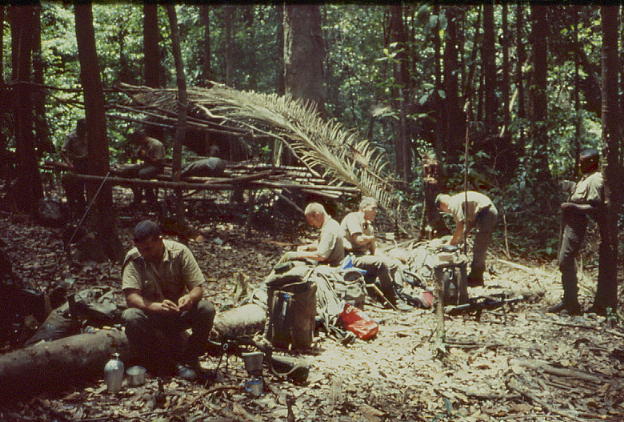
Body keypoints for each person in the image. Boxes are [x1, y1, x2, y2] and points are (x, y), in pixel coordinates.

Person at [121, 220, 215, 380]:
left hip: (178, 313)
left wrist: (189, 298)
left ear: (160, 239)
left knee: (206, 309)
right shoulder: (133, 257)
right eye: (141, 249)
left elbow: (198, 288)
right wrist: (155, 307)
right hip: (151, 316)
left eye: (149, 248)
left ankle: (191, 357)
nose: (144, 253)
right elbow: (131, 297)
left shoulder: (180, 252)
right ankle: (155, 364)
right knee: (130, 316)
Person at [549, 148, 610, 315]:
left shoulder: (596, 180)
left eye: (582, 161)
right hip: (569, 222)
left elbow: (595, 207)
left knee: (565, 260)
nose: (579, 164)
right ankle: (569, 300)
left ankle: (571, 304)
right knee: (563, 260)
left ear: (592, 162)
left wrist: (572, 207)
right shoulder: (586, 178)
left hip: (577, 224)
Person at [341, 197, 411, 311]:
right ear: (364, 208)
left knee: (393, 264)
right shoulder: (352, 218)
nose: (376, 212)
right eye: (373, 208)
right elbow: (358, 239)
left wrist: (389, 259)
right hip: (349, 257)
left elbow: (375, 250)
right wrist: (371, 239)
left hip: (363, 256)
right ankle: (393, 300)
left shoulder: (369, 227)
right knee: (380, 263)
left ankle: (398, 293)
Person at [435, 191, 498, 286]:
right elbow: (468, 223)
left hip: (487, 212)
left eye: (443, 210)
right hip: (484, 212)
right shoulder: (458, 199)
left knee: (479, 247)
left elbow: (460, 225)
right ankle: (474, 276)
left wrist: (451, 243)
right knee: (479, 246)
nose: (446, 212)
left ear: (442, 205)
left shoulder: (453, 203)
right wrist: (462, 237)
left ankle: (476, 279)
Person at [281, 202, 345, 267]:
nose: (312, 225)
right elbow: (324, 244)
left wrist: (298, 254)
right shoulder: (331, 224)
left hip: (331, 267)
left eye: (311, 221)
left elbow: (321, 256)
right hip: (326, 263)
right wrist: (307, 247)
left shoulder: (329, 229)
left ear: (317, 215)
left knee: (288, 260)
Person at [119, 131, 166, 205]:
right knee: (126, 171)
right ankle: (137, 194)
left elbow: (158, 161)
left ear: (142, 138)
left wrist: (146, 156)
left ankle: (150, 195)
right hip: (146, 165)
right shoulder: (142, 144)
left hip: (157, 167)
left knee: (143, 173)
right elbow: (138, 156)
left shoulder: (156, 144)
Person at [61, 119, 89, 215]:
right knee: (78, 188)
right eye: (82, 128)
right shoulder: (71, 137)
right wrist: (70, 164)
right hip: (77, 164)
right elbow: (63, 152)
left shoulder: (88, 135)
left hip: (89, 164)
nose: (84, 131)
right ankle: (80, 210)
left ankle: (90, 208)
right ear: (78, 127)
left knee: (91, 186)